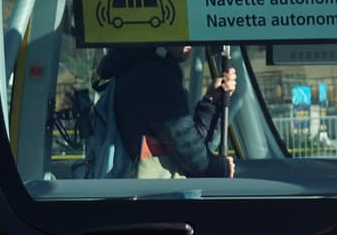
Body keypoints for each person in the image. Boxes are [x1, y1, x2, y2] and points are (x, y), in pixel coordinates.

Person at [97, 43, 235, 178]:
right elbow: (186, 148)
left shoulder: (133, 67)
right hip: (157, 190)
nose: (190, 43)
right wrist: (220, 168)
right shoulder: (155, 74)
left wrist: (211, 101)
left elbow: (184, 140)